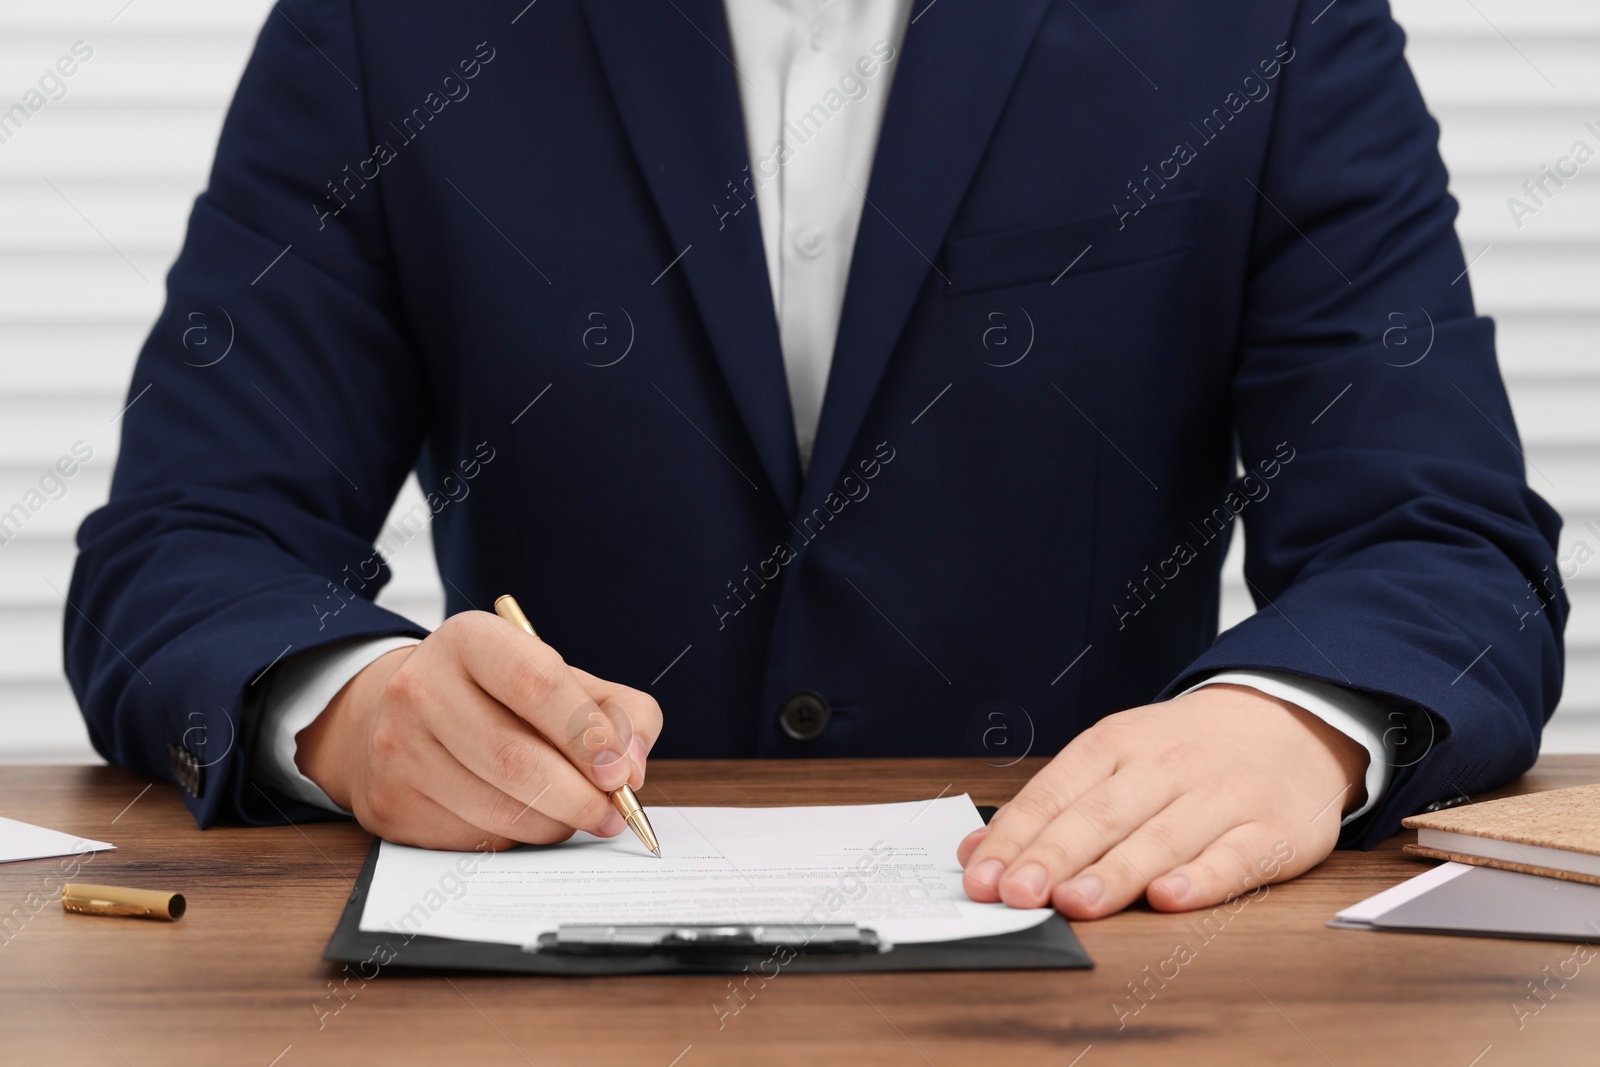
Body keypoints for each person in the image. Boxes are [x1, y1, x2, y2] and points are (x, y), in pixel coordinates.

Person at [67, 0, 1565, 921]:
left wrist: (1286, 730)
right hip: (534, 990)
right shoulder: (387, 25)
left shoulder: (1268, 21)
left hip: (1099, 967)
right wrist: (351, 713)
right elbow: (187, 542)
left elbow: (1436, 538)